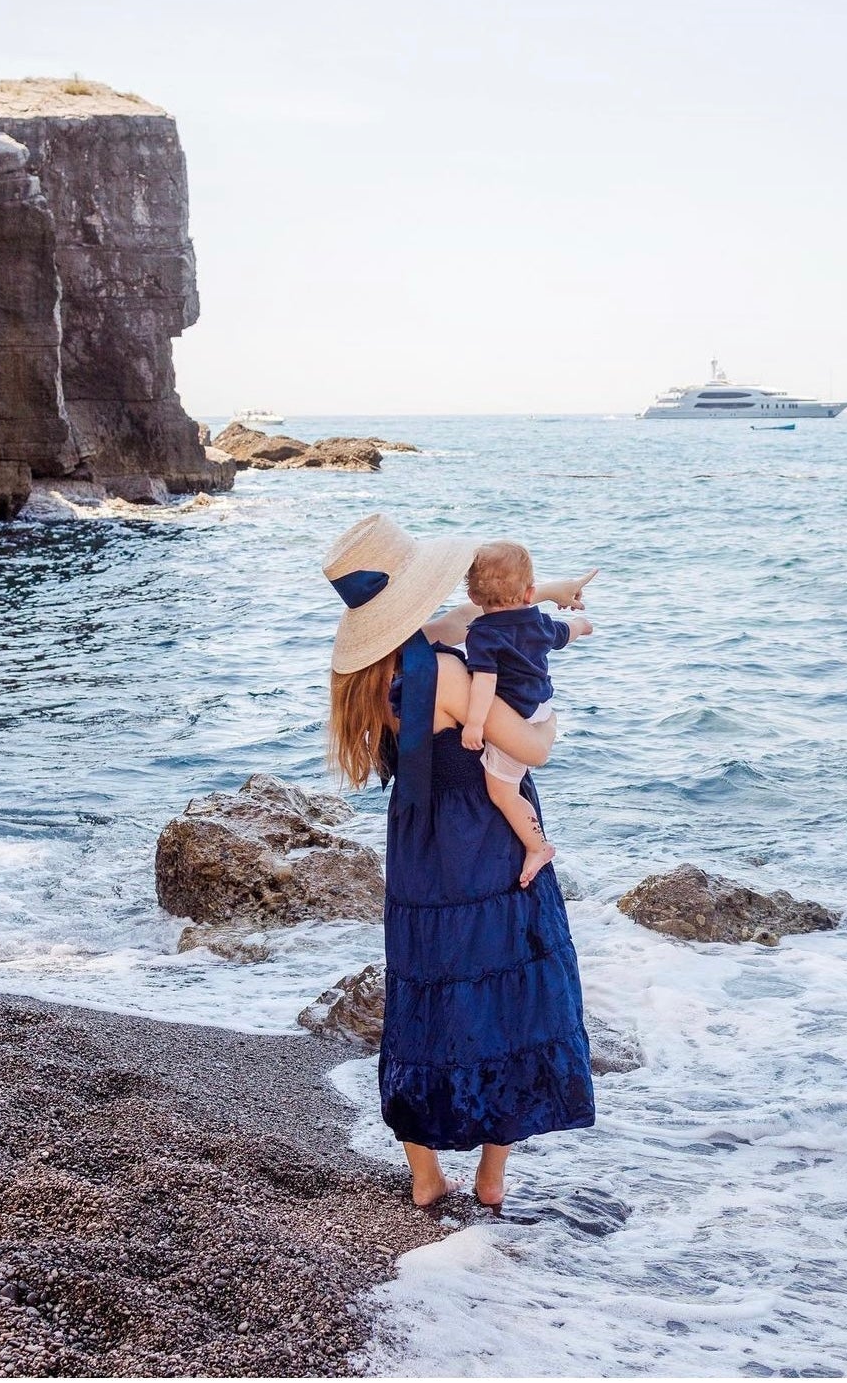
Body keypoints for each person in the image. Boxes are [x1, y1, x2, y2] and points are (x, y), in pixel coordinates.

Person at [325, 512, 596, 1209]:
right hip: (483, 844)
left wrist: (548, 591)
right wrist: (552, 719)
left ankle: (424, 1175)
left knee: (424, 996)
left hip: (419, 848)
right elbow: (530, 751)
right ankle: (492, 1176)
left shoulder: (370, 676)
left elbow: (468, 614)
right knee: (508, 993)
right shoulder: (447, 670)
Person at [461, 542, 594, 888]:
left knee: (502, 792)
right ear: (531, 592)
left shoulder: (482, 634)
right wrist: (582, 624)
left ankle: (537, 846)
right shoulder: (539, 621)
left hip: (517, 718)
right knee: (511, 782)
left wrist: (475, 724)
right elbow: (567, 633)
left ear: (474, 598)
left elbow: (485, 683)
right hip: (541, 705)